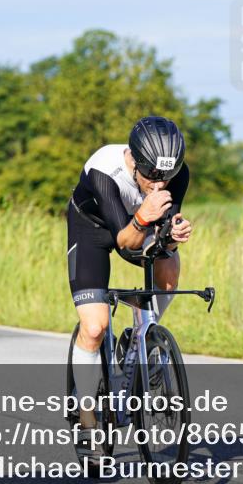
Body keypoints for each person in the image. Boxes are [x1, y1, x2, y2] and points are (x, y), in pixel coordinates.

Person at [67, 116, 193, 461]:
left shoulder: (174, 173)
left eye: (166, 177)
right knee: (94, 328)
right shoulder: (103, 169)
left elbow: (164, 228)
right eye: (151, 176)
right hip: (92, 229)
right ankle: (87, 416)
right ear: (134, 160)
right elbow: (125, 240)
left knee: (169, 264)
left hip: (140, 223)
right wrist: (144, 216)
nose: (159, 184)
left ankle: (145, 337)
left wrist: (173, 232)